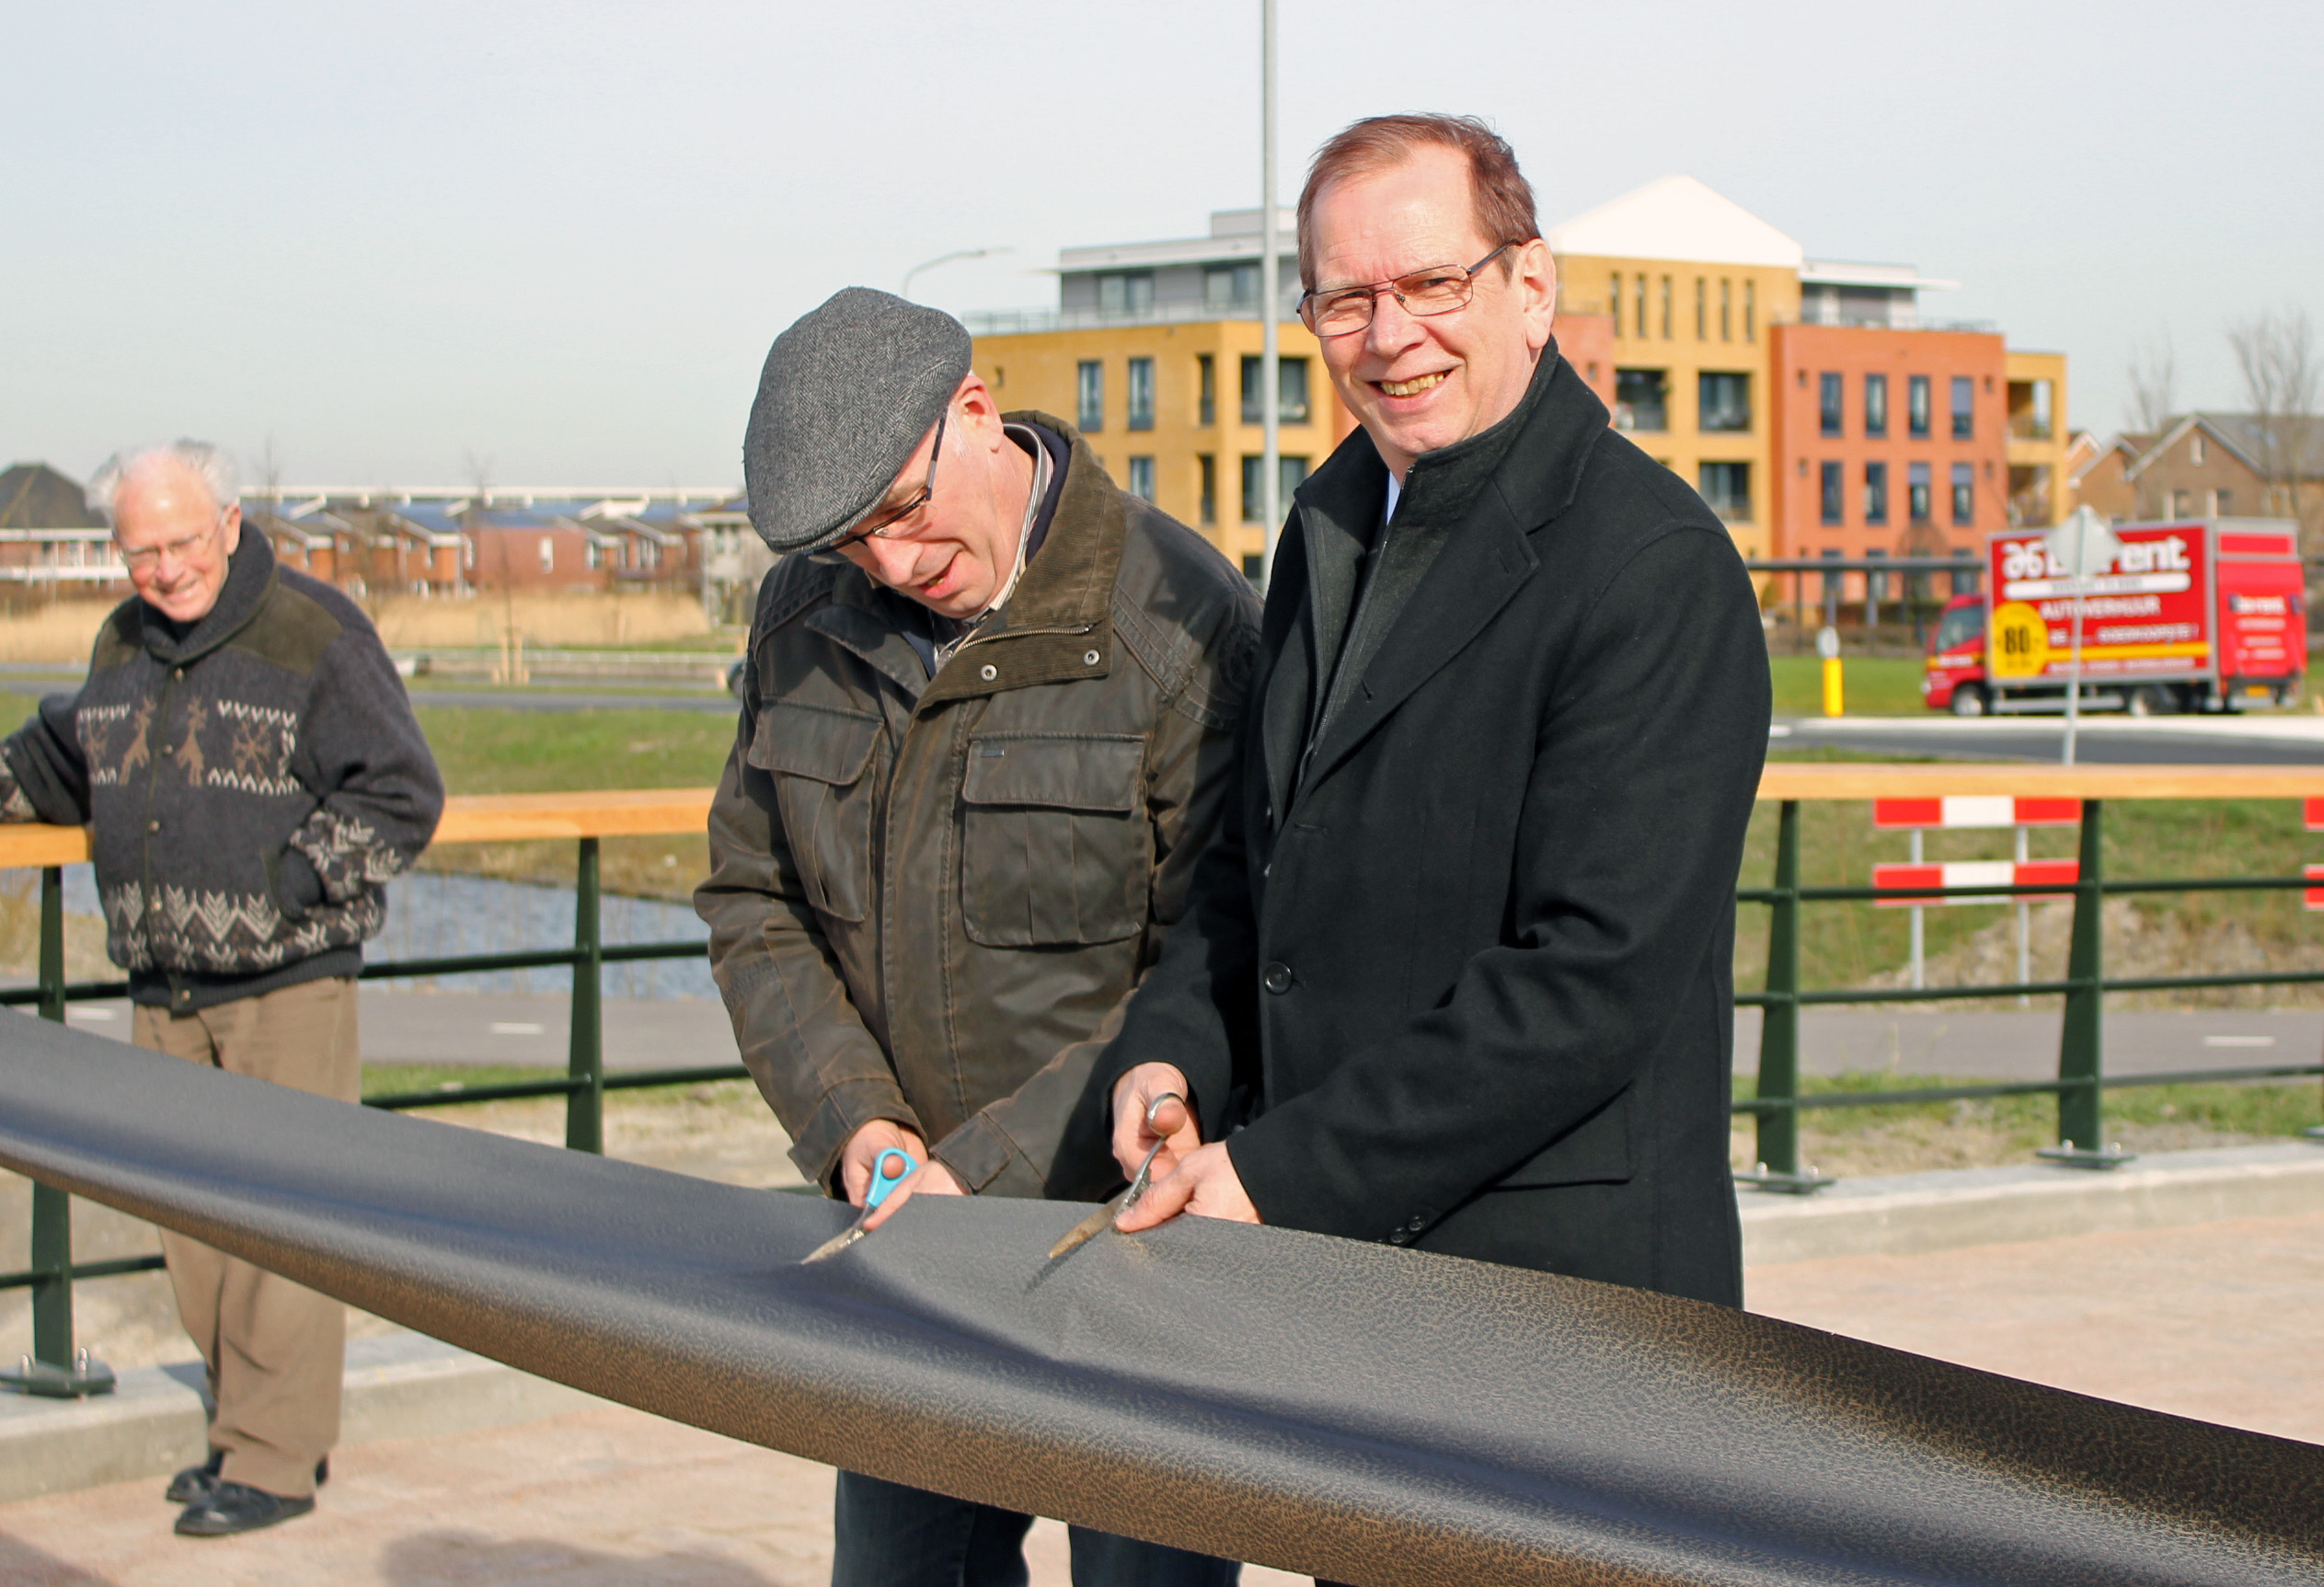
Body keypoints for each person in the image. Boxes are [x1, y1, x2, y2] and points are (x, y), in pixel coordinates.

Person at [1095, 115, 1770, 1312]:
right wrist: (1173, 1053)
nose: (1389, 335)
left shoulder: (1652, 564)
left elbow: (1590, 981)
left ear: (1529, 286)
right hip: (1335, 1272)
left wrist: (1277, 1171)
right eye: (1343, 300)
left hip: (1553, 1300)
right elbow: (1253, 872)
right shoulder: (1327, 534)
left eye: (1428, 283)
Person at [695, 288, 1256, 1587]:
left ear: (974, 411)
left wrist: (981, 1178)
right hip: (905, 1241)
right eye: (848, 541)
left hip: (1135, 1254)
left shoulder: (1182, 619)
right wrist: (860, 1130)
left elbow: (1216, 953)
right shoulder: (800, 618)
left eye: (900, 509)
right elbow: (752, 897)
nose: (889, 560)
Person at [0, 442, 443, 1537]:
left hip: (285, 982)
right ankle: (247, 1432)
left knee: (283, 1229)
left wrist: (285, 887)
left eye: (182, 542)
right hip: (163, 983)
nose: (164, 568)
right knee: (194, 1235)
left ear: (231, 525)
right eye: (141, 550)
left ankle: (274, 1459)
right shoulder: (121, 642)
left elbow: (401, 791)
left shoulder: (317, 633)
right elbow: (68, 760)